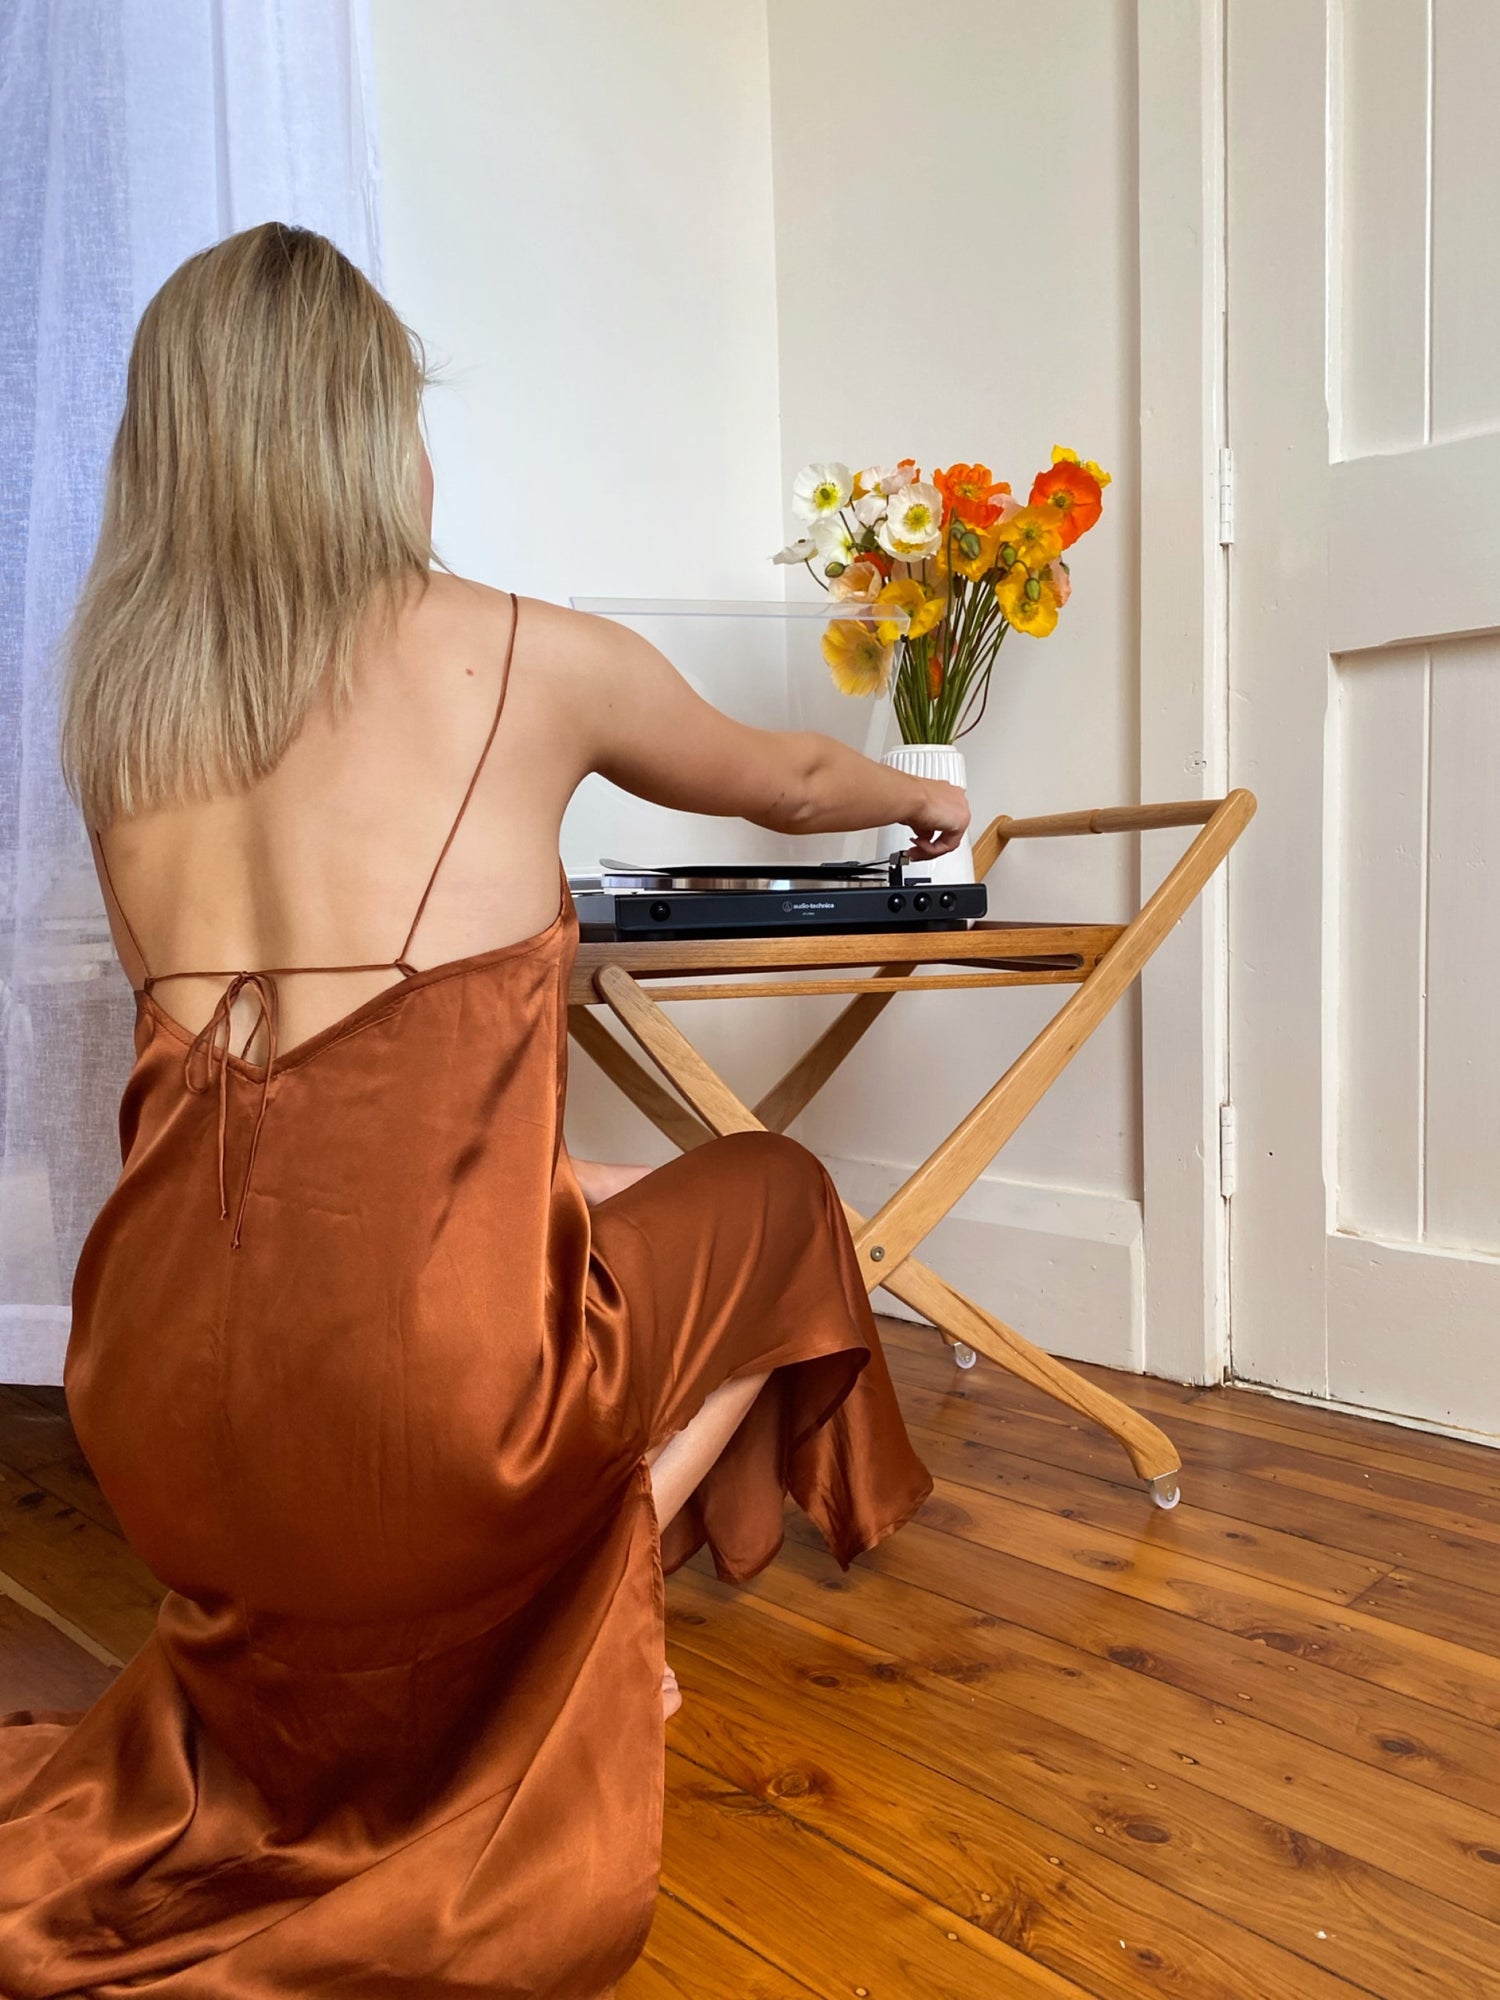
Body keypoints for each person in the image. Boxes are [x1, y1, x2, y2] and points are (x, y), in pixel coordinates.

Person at [0, 223, 967, 1997]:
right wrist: (926, 797)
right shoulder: (530, 654)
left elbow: (297, 1120)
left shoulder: (116, 722)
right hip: (435, 1419)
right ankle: (596, 1633)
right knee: (780, 1194)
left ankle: (523, 1613)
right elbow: (786, 782)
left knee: (563, 1216)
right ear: (373, 431)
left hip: (152, 1400)